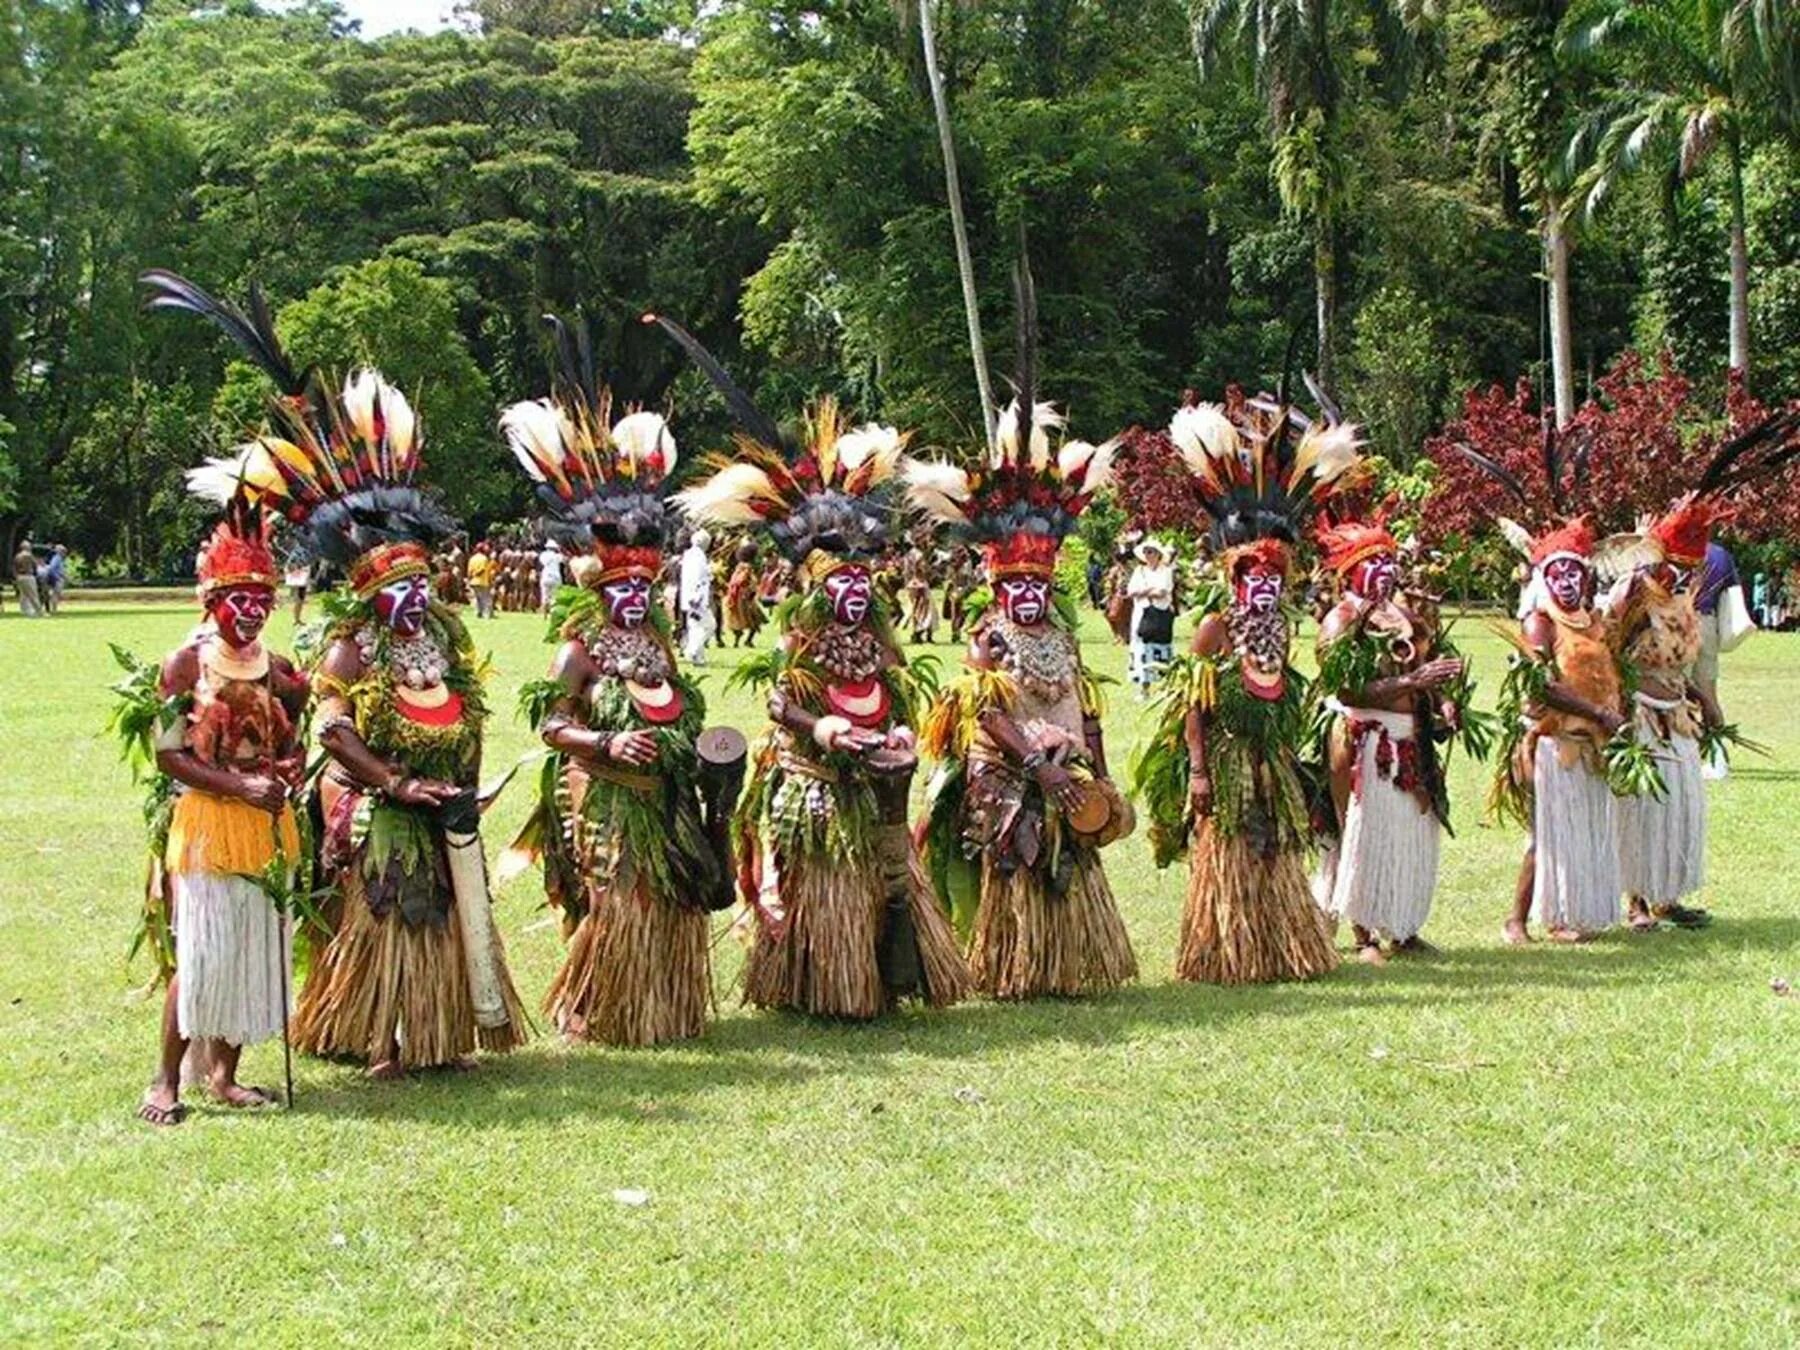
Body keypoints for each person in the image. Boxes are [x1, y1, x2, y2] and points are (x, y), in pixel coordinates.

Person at [143, 269, 532, 1075]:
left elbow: (454, 714)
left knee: (451, 912)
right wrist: (391, 781)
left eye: (423, 583)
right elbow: (330, 726)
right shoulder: (349, 647)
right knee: (390, 910)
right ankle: (374, 1036)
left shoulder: (447, 639)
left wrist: (461, 781)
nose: (416, 597)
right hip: (369, 810)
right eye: (400, 588)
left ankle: (439, 1033)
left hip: (437, 802)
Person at [657, 314, 968, 1018]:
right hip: (818, 775)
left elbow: (893, 687)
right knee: (825, 879)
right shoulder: (801, 631)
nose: (857, 591)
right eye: (844, 583)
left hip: (875, 779)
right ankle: (819, 983)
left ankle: (888, 977)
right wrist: (822, 728)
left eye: (863, 580)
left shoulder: (882, 629)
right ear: (821, 584)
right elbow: (779, 706)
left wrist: (895, 733)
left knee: (883, 877)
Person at [501, 326, 728, 1044]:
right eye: (620, 588)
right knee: (615, 899)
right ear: (600, 587)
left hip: (662, 797)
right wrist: (605, 738)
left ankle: (661, 1008)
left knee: (666, 896)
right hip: (602, 797)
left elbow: (677, 704)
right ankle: (591, 1008)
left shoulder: (657, 639)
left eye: (641, 587)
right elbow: (549, 726)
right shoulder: (579, 647)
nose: (632, 599)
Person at [909, 299, 1137, 1001]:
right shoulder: (987, 640)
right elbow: (983, 717)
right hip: (1010, 775)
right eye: (1021, 587)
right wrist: (1037, 764)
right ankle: (1008, 963)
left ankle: (1064, 962)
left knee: (1070, 858)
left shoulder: (1063, 635)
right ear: (1001, 588)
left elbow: (1084, 704)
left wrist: (1092, 766)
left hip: (1066, 770)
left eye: (1041, 584)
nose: (1031, 596)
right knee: (1015, 856)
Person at [1137, 392, 1365, 984]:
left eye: (1271, 573)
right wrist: (1199, 770)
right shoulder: (1215, 628)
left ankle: (1283, 945)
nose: (1262, 583)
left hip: (1275, 759)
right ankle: (1227, 952)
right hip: (1229, 758)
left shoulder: (1281, 626)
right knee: (1236, 850)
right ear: (1231, 575)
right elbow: (1195, 701)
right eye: (1251, 573)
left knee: (1278, 846)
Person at [118, 483, 308, 1125]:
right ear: (212, 601)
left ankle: (225, 1075)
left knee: (257, 947)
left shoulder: (278, 668)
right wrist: (239, 785)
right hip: (209, 824)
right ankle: (165, 1080)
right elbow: (169, 755)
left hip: (267, 825)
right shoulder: (185, 664)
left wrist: (289, 771)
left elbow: (294, 733)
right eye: (239, 601)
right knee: (203, 953)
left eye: (262, 600)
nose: (252, 612)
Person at [1312, 519, 1474, 962]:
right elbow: (1345, 690)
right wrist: (1413, 679)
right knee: (1364, 834)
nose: (1386, 570)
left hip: (1412, 740)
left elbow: (1426, 672)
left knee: (1409, 833)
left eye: (1389, 560)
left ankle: (1403, 928)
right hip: (1366, 741)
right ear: (1350, 572)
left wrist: (1441, 702)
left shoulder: (1405, 615)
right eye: (1374, 562)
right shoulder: (1341, 619)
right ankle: (1363, 935)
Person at [1604, 496, 1725, 932]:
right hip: (1641, 715)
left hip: (1678, 716)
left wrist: (1704, 700)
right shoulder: (1633, 595)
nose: (1683, 575)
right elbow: (1610, 653)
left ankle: (1666, 897)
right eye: (1676, 566)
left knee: (1677, 808)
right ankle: (1635, 900)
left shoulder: (1682, 599)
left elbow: (1678, 666)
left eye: (1690, 568)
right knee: (1641, 808)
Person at [1692, 537, 1741, 779]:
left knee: (1674, 692)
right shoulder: (1721, 554)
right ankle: (1718, 758)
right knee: (1709, 692)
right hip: (1708, 622)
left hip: (1679, 622)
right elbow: (1732, 588)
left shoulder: (1675, 546)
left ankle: (1684, 755)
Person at [1126, 538, 1176, 698]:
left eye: (1151, 551)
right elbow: (1131, 591)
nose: (1148, 555)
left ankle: (1167, 686)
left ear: (1158, 554)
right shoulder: (1139, 571)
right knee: (1141, 648)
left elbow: (1162, 591)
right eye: (1146, 552)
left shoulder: (1166, 571)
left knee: (1161, 648)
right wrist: (1149, 590)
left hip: (1160, 615)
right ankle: (1143, 687)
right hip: (1141, 614)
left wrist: (1144, 591)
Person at [678, 528, 714, 665]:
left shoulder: (690, 555)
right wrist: (696, 597)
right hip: (696, 599)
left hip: (690, 599)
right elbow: (696, 578)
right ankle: (692, 651)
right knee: (708, 625)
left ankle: (699, 657)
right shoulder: (698, 557)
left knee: (695, 626)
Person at [723, 541, 763, 648]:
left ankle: (737, 641)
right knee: (754, 620)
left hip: (737, 596)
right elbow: (741, 580)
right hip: (744, 597)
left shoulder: (739, 566)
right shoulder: (747, 567)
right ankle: (748, 641)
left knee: (739, 621)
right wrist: (750, 588)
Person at [466, 541, 496, 618]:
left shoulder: (472, 558)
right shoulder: (484, 558)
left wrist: (469, 580)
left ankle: (478, 613)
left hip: (473, 581)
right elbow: (483, 569)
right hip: (482, 581)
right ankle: (486, 614)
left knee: (476, 599)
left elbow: (469, 571)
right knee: (485, 599)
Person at [13, 539, 40, 616]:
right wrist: (35, 573)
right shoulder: (29, 555)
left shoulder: (17, 556)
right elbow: (35, 565)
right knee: (33, 594)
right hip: (28, 576)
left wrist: (16, 576)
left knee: (23, 595)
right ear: (27, 547)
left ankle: (25, 611)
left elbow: (14, 567)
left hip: (20, 577)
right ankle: (38, 611)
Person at [538, 538, 565, 612]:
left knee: (544, 596)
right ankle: (553, 612)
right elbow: (563, 560)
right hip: (556, 577)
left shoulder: (543, 555)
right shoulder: (558, 556)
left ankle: (544, 614)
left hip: (546, 576)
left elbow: (542, 563)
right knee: (554, 597)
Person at [42, 544, 67, 613]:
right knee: (55, 594)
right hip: (57, 579)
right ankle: (53, 609)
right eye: (64, 551)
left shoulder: (58, 558)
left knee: (55, 594)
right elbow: (52, 568)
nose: (65, 553)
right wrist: (58, 576)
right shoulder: (57, 558)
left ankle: (53, 609)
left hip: (57, 578)